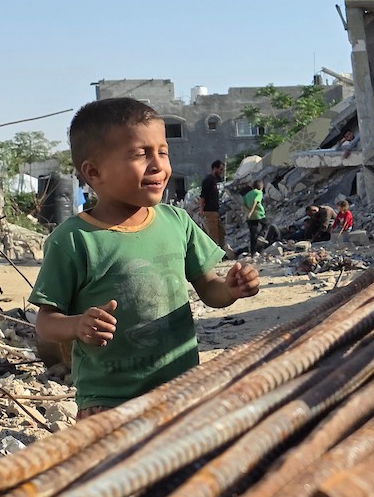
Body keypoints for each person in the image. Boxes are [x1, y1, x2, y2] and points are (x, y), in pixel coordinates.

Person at [30, 98, 260, 418]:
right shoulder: (73, 240)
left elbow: (210, 290)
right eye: (141, 154)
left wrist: (232, 289)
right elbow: (45, 323)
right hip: (110, 402)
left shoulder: (176, 221)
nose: (158, 165)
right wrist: (77, 325)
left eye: (162, 152)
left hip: (182, 390)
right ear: (94, 172)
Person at [199, 160, 228, 252]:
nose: (221, 171)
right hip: (209, 211)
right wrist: (201, 210)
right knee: (213, 234)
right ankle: (213, 254)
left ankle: (221, 252)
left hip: (216, 211)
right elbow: (202, 196)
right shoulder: (208, 180)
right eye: (220, 169)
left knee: (221, 233)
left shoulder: (217, 180)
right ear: (214, 168)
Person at [243, 182, 266, 256]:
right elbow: (255, 201)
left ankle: (253, 253)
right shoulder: (259, 192)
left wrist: (248, 212)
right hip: (259, 215)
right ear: (261, 187)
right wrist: (251, 211)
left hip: (249, 218)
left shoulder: (247, 195)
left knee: (253, 234)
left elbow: (242, 206)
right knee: (266, 225)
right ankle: (261, 236)